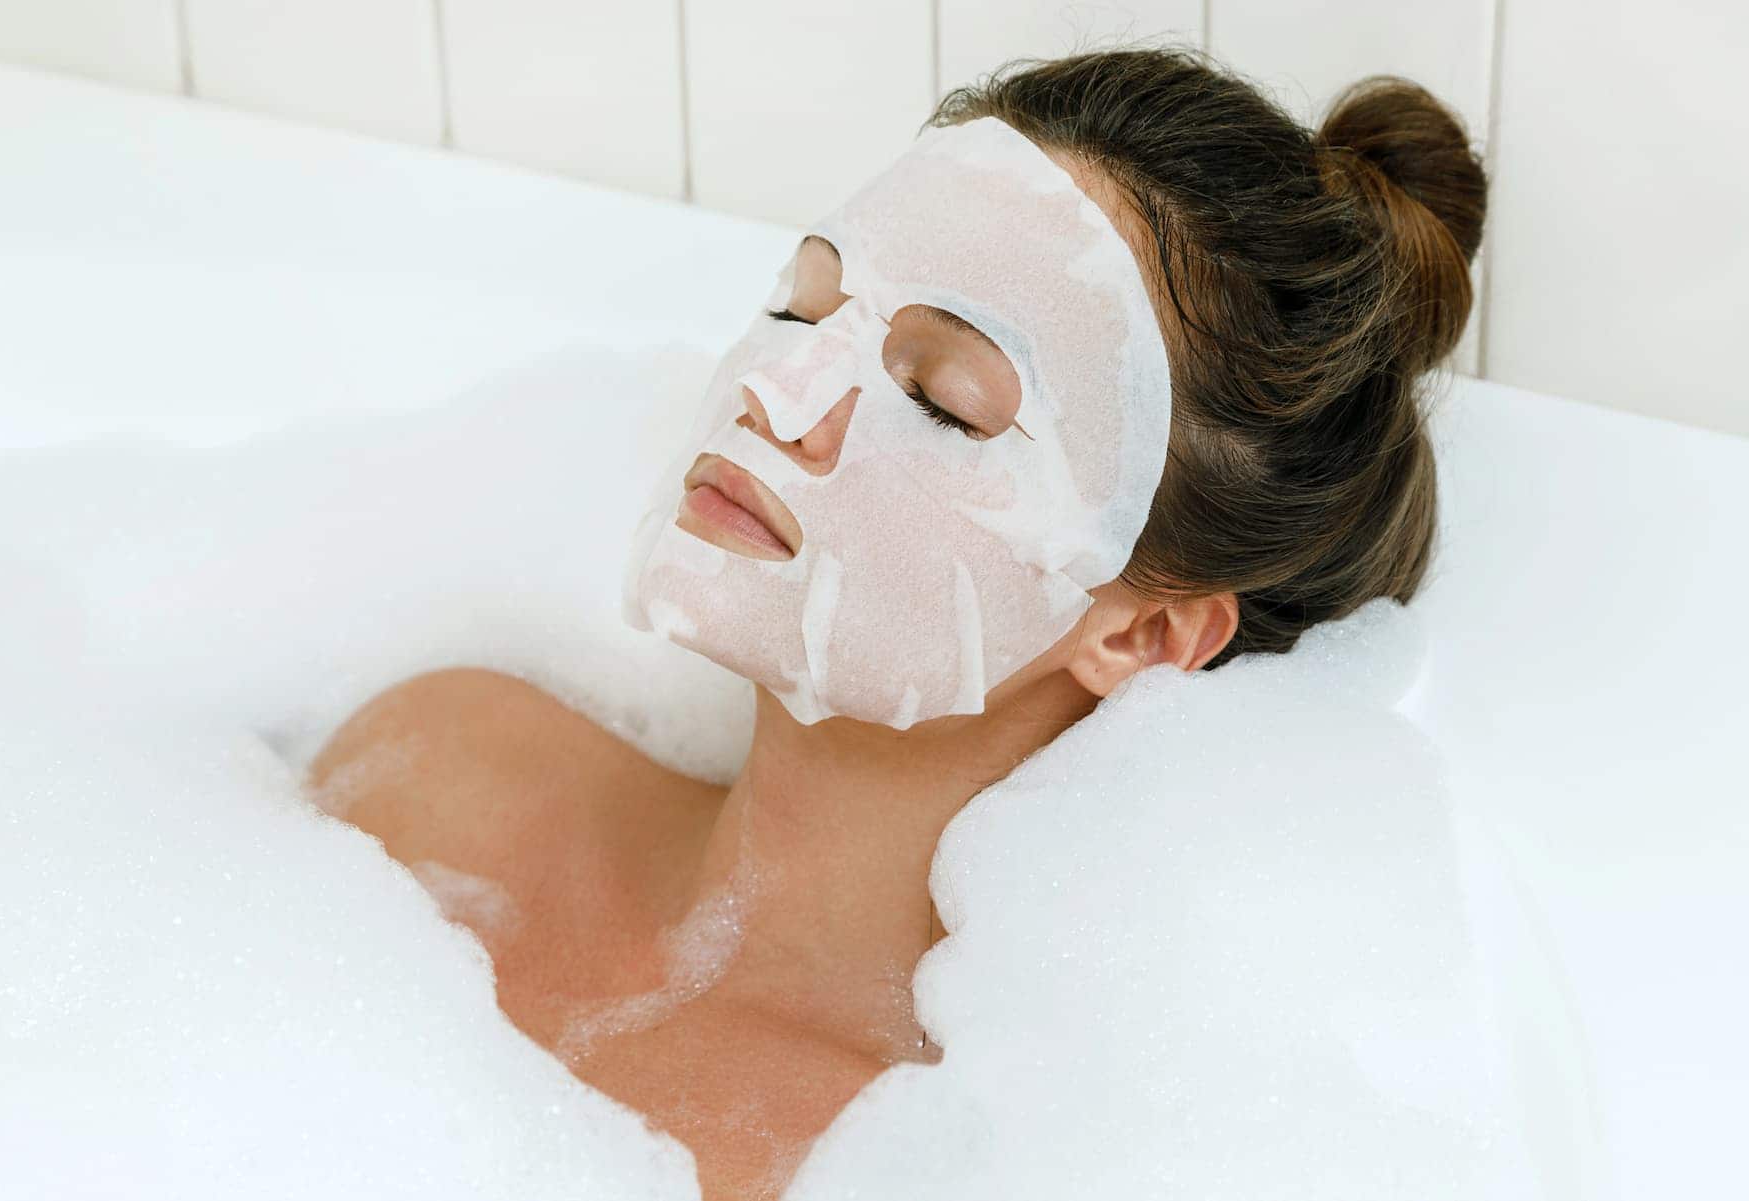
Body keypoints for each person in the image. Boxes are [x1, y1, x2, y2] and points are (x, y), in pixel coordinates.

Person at [306, 43, 1487, 1201]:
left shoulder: (935, 1156)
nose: (783, 395)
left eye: (942, 401)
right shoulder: (431, 776)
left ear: (1138, 635)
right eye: (800, 307)